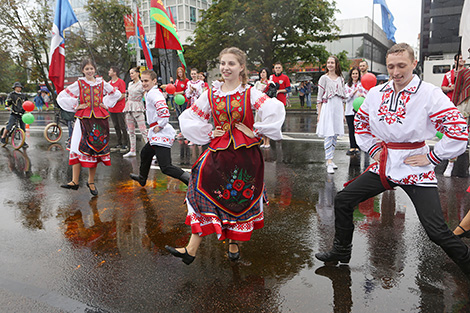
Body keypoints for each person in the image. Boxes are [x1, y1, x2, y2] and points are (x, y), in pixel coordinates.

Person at [315, 43, 470, 280]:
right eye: (390, 66)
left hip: (415, 167)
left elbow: (458, 128)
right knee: (344, 200)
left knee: (437, 232)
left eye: (401, 65)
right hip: (385, 163)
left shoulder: (429, 93)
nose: (395, 72)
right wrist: (375, 148)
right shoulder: (377, 93)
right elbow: (361, 124)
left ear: (414, 64)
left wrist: (432, 156)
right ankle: (341, 250)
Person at [165, 47, 285, 265]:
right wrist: (209, 132)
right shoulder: (211, 94)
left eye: (231, 63)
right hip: (219, 151)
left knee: (237, 198)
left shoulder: (250, 93)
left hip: (245, 156)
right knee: (199, 184)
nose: (225, 68)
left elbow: (275, 110)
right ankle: (191, 249)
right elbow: (189, 117)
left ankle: (233, 242)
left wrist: (256, 130)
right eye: (222, 63)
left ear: (241, 67)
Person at [57, 58, 121, 196]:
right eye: (87, 69)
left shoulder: (101, 83)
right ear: (82, 70)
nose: (90, 71)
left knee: (95, 150)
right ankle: (74, 181)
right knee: (77, 147)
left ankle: (91, 182)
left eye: (91, 68)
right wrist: (76, 105)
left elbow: (116, 93)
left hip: (98, 120)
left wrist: (106, 103)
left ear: (95, 69)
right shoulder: (79, 83)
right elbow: (61, 97)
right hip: (83, 119)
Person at [129, 70, 190, 187]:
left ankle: (190, 180)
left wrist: (161, 124)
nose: (144, 83)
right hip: (155, 132)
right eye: (142, 81)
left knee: (166, 167)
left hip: (160, 133)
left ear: (154, 81)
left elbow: (164, 111)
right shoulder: (150, 92)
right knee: (145, 153)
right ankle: (142, 178)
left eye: (146, 81)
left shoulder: (153, 94)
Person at [316, 55, 347, 174]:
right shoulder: (323, 78)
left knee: (334, 135)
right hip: (328, 107)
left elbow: (343, 99)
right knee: (328, 134)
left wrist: (343, 114)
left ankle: (331, 158)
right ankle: (328, 161)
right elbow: (319, 98)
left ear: (336, 64)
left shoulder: (341, 79)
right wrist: (319, 114)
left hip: (338, 108)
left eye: (332, 63)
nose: (330, 65)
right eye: (328, 62)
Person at [441, 54, 466, 177]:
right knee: (454, 134)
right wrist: (450, 87)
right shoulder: (449, 74)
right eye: (459, 58)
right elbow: (442, 87)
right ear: (455, 60)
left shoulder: (467, 73)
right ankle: (450, 164)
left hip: (466, 105)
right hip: (453, 106)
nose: (462, 60)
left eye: (463, 58)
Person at [123, 67, 148, 158]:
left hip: (138, 107)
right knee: (131, 130)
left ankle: (151, 151)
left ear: (138, 73)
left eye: (132, 73)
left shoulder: (141, 84)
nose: (131, 75)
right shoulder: (130, 84)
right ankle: (132, 150)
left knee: (143, 130)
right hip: (129, 107)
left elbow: (146, 94)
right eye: (130, 73)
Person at [344, 67, 366, 155]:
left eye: (356, 74)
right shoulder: (347, 85)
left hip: (359, 111)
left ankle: (358, 146)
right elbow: (345, 98)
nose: (355, 75)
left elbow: (367, 95)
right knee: (351, 129)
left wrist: (362, 95)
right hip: (349, 111)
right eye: (353, 74)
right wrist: (352, 93)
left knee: (359, 129)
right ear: (351, 75)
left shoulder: (362, 84)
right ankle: (352, 146)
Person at [108, 66, 129, 153]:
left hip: (120, 108)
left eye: (110, 70)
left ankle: (125, 144)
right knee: (116, 126)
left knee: (122, 126)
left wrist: (115, 99)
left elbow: (123, 94)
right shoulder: (109, 83)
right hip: (112, 108)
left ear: (115, 72)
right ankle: (119, 143)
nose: (109, 72)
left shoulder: (121, 82)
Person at [1, 82, 28, 148]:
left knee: (23, 128)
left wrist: (27, 109)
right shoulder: (12, 94)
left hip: (22, 113)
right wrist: (7, 106)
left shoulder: (23, 95)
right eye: (17, 87)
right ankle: (3, 137)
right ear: (15, 88)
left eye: (20, 87)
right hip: (14, 113)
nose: (19, 88)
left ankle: (23, 141)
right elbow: (7, 101)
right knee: (9, 126)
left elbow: (27, 103)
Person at [254, 68, 271, 148]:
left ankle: (268, 141)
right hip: (259, 105)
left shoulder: (270, 83)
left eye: (264, 72)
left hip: (267, 105)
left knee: (266, 123)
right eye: (261, 72)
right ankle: (264, 141)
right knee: (260, 123)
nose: (262, 74)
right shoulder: (257, 83)